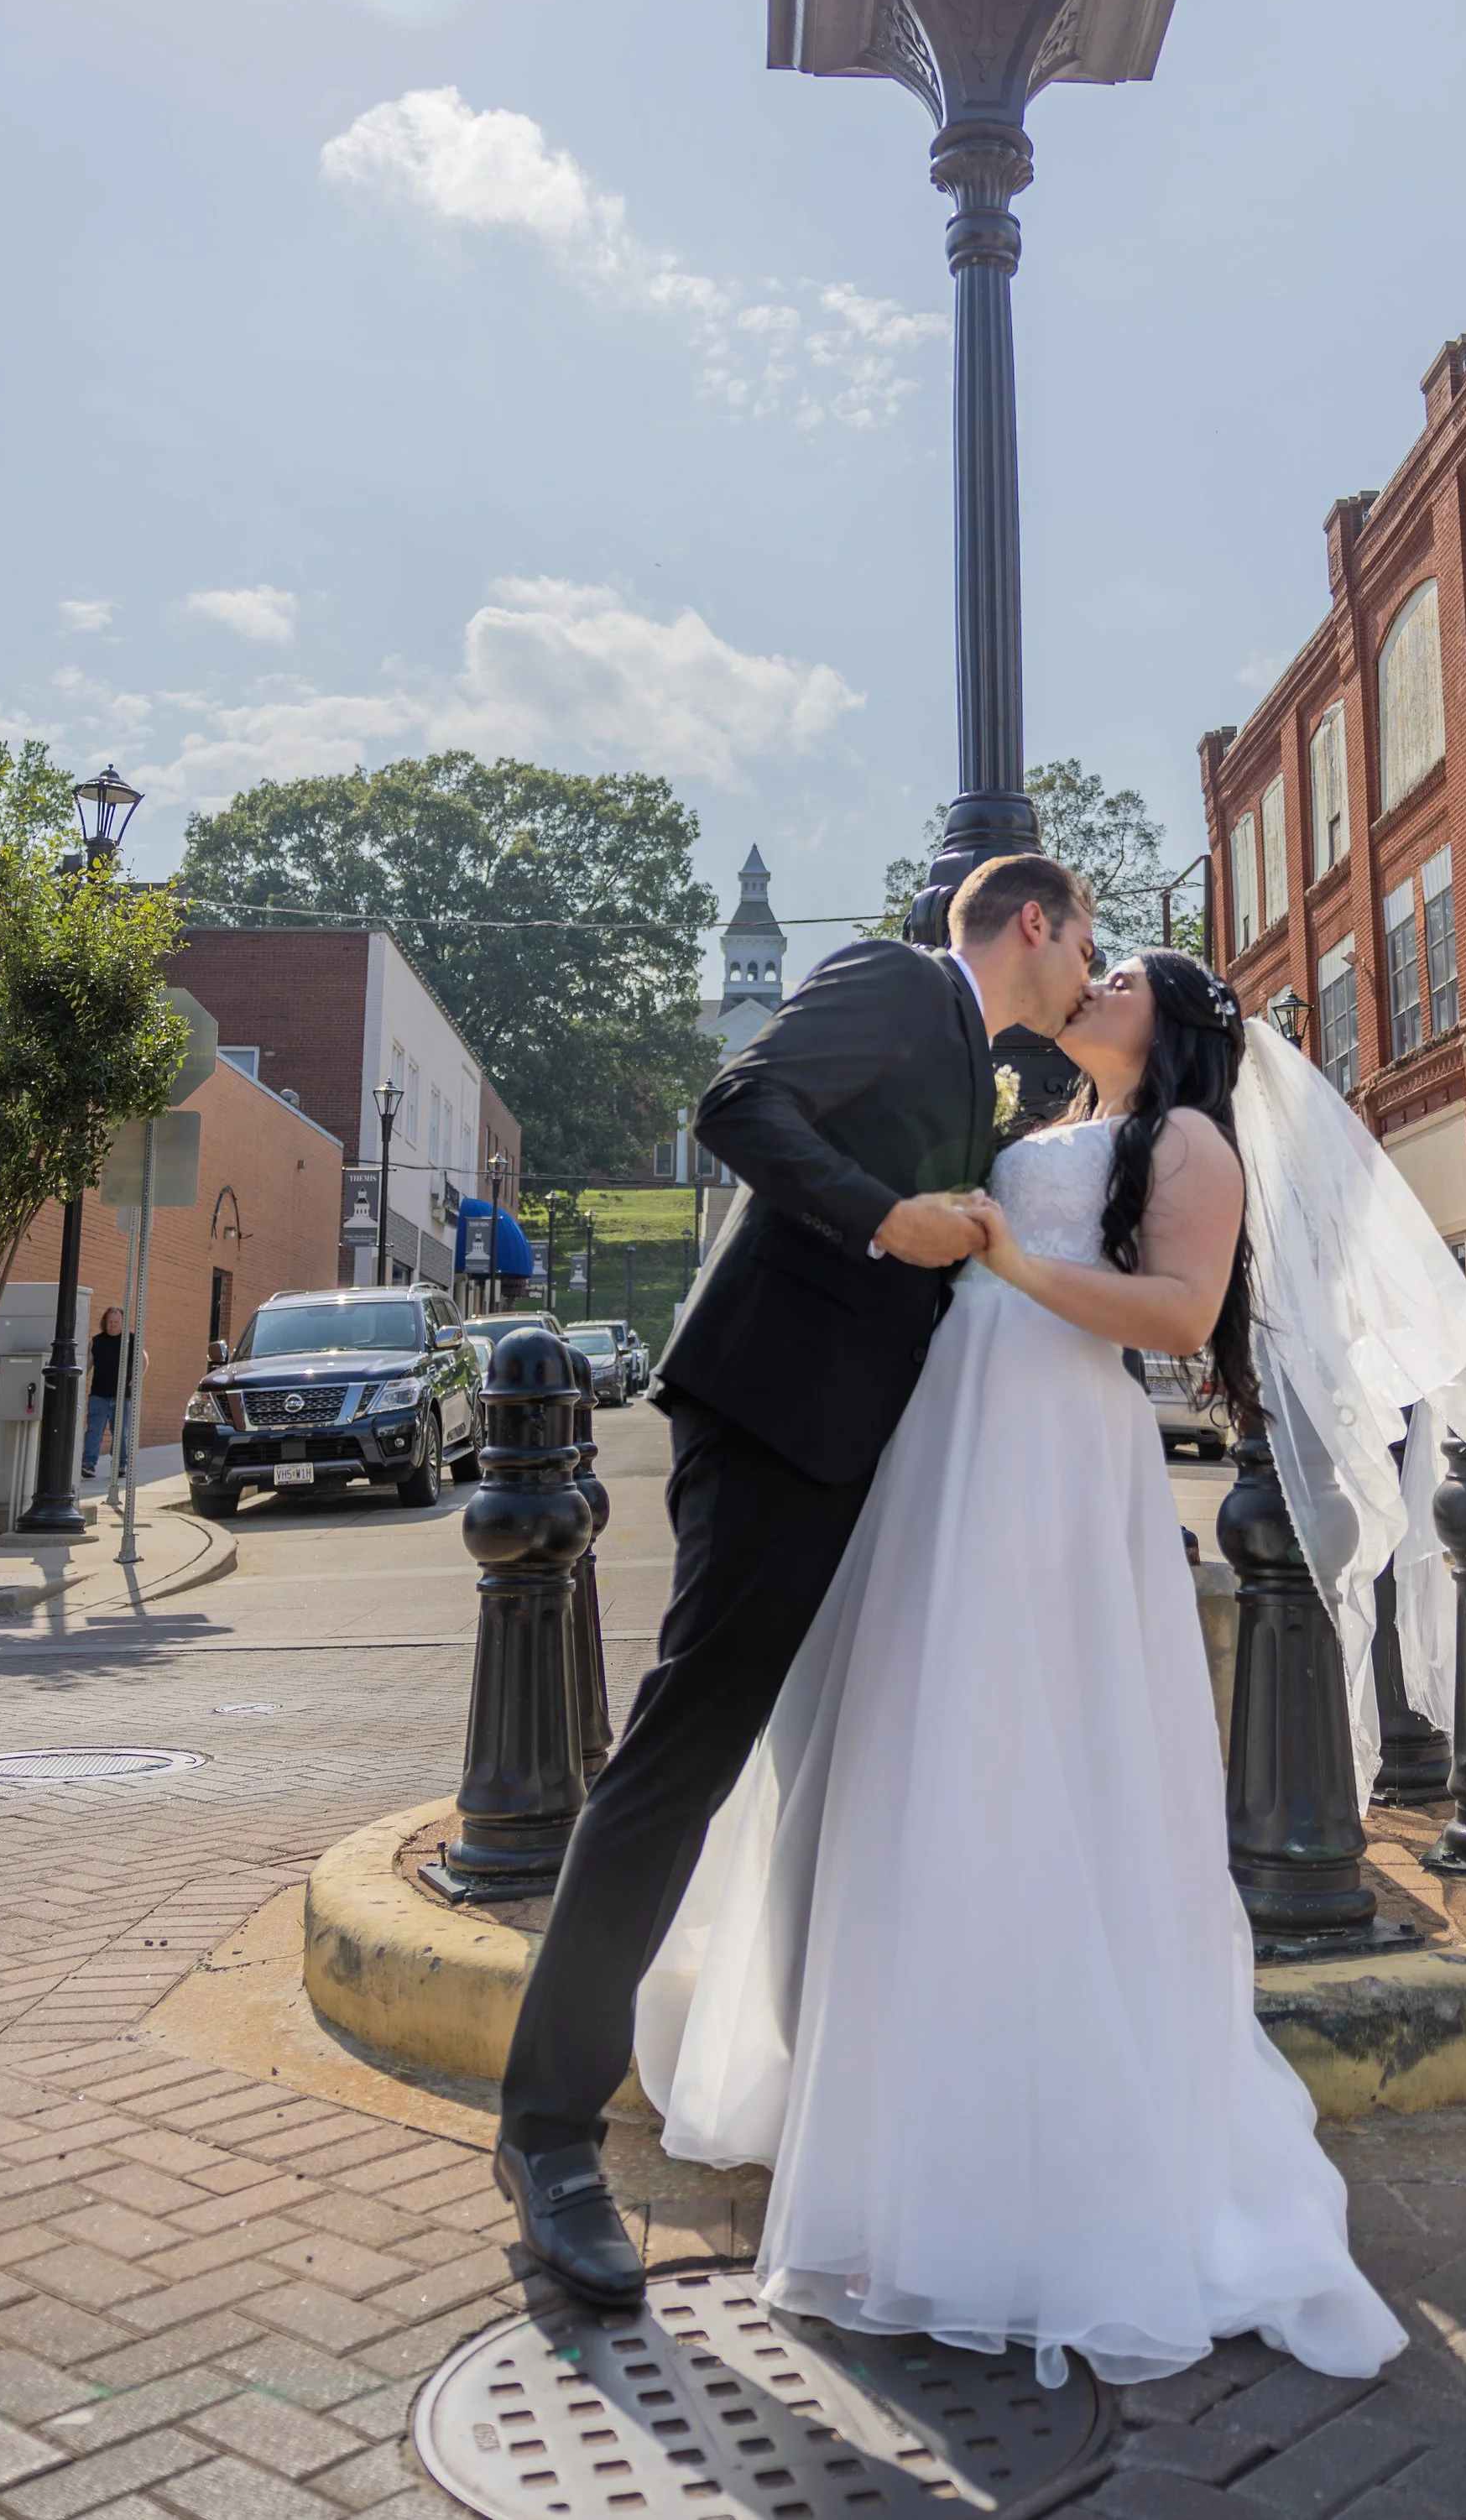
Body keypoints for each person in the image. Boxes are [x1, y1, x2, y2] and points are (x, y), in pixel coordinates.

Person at [635, 949, 1406, 2388]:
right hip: (944, 1447)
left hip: (1051, 1463)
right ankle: (917, 2146)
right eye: (1092, 955)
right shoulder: (1034, 1125)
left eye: (1119, 970)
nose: (1096, 975)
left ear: (1167, 1020)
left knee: (1033, 1755)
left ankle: (1051, 2169)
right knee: (921, 1764)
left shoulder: (1182, 1139)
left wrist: (1005, 1256)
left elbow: (1180, 1319)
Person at [492, 853, 1098, 2308]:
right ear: (1037, 922)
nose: (1092, 969)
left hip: (863, 1453)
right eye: (1088, 942)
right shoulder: (895, 980)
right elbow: (735, 1103)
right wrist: (887, 1216)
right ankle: (546, 2133)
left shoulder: (983, 1059)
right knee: (678, 1760)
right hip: (775, 1420)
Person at [81, 1307, 137, 1492]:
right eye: (110, 1322)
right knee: (94, 1431)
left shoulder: (131, 1340)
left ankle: (121, 1465)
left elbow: (143, 1360)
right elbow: (88, 1364)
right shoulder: (96, 1342)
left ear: (122, 1322)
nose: (112, 1325)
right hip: (99, 1394)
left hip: (122, 1396)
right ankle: (88, 1464)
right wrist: (80, 1382)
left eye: (116, 1322)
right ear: (105, 1321)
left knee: (121, 1432)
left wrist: (136, 1380)